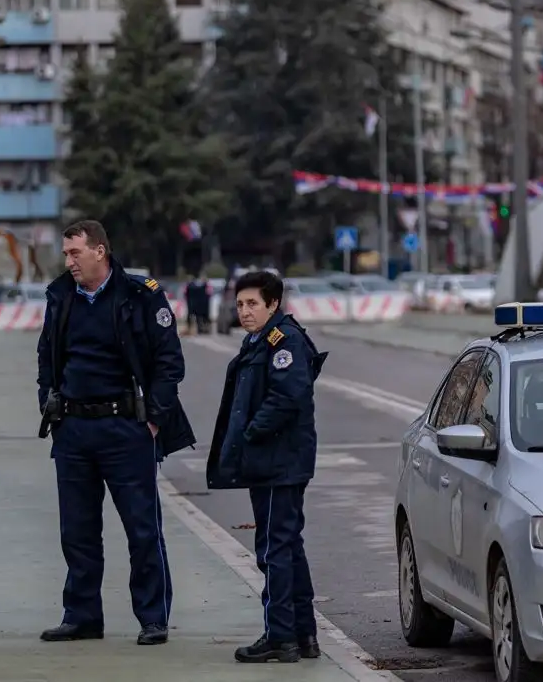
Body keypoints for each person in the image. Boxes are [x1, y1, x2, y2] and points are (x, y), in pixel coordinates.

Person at [36, 220, 195, 646]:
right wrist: (49, 409)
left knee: (142, 528)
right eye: (66, 254)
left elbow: (168, 361)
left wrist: (154, 418)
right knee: (77, 531)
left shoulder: (139, 294)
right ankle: (82, 615)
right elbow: (46, 357)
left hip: (125, 428)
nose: (69, 261)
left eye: (75, 253)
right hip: (73, 430)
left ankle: (153, 617)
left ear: (100, 251)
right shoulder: (60, 296)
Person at [206, 271, 327, 663]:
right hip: (275, 461)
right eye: (240, 304)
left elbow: (288, 395)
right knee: (288, 547)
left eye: (253, 303)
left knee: (274, 549)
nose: (244, 311)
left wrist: (251, 434)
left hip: (279, 462)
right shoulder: (259, 340)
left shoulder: (283, 341)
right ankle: (303, 635)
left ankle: (280, 637)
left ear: (273, 303)